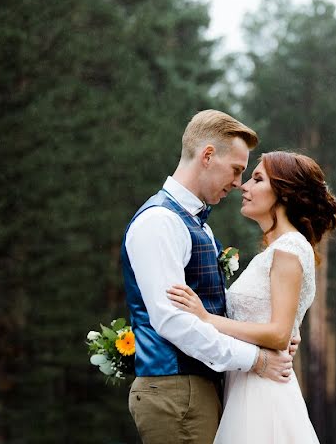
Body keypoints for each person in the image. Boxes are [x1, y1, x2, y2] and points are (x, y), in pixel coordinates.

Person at [121, 110, 299, 444]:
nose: (238, 183)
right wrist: (257, 360)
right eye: (236, 170)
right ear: (207, 156)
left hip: (195, 389)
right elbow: (172, 320)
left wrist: (269, 332)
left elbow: (211, 311)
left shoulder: (196, 222)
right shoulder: (160, 222)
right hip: (177, 390)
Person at [167, 150, 336, 443]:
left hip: (262, 392)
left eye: (257, 179)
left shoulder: (289, 249)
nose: (244, 187)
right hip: (246, 383)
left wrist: (207, 319)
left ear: (284, 193)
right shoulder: (279, 250)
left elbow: (278, 334)